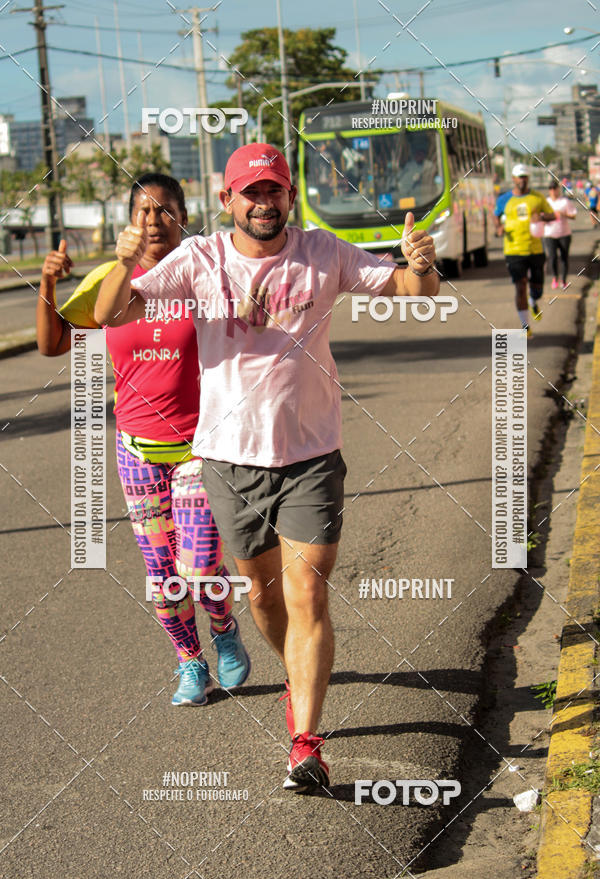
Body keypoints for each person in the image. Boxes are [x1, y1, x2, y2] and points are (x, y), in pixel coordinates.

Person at [94, 143, 439, 793]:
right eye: (250, 192)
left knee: (308, 593)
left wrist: (422, 265)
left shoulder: (323, 252)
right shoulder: (199, 259)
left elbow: (412, 290)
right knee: (263, 595)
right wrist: (120, 261)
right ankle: (295, 673)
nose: (263, 202)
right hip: (229, 460)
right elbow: (111, 312)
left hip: (311, 455)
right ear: (228, 200)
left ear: (290, 196)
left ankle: (305, 742)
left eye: (274, 190)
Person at [36, 172, 250, 707]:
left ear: (184, 216)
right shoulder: (111, 281)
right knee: (162, 571)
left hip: (201, 446)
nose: (154, 221)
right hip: (137, 450)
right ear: (130, 220)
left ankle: (223, 628)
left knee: (199, 564)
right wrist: (48, 282)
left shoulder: (203, 272)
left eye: (165, 209)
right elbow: (52, 344)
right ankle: (190, 663)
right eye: (143, 211)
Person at [493, 163, 555, 335]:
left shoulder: (537, 197)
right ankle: (525, 326)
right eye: (520, 177)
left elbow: (552, 215)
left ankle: (533, 301)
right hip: (513, 250)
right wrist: (498, 228)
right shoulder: (504, 199)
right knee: (520, 286)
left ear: (528, 178)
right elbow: (496, 215)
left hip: (535, 249)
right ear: (513, 179)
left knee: (537, 289)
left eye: (525, 177)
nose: (522, 180)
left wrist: (540, 216)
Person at [543, 180, 577, 290]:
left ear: (558, 189)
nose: (553, 190)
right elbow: (541, 217)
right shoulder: (545, 202)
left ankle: (563, 280)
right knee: (552, 257)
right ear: (549, 190)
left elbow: (573, 215)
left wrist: (563, 214)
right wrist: (548, 216)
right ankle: (555, 277)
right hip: (550, 234)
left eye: (555, 188)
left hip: (564, 234)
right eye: (551, 188)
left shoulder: (565, 201)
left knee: (564, 257)